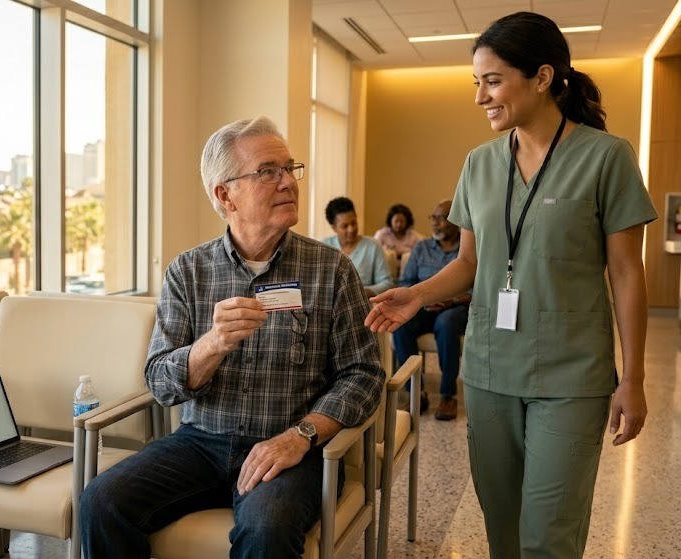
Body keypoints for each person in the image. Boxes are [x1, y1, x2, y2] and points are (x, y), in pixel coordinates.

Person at [365, 12, 657, 559]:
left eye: (492, 80)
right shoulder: (478, 165)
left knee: (549, 533)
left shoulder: (606, 157)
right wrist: (418, 294)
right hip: (490, 368)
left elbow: (625, 273)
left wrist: (634, 377)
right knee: (502, 526)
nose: (480, 97)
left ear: (542, 77)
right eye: (476, 82)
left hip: (572, 374)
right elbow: (471, 263)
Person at [79, 116, 385, 558]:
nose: (288, 182)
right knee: (101, 503)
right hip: (200, 441)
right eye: (267, 171)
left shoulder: (331, 269)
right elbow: (160, 382)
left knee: (267, 530)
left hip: (287, 446)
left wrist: (301, 434)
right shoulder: (188, 271)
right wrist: (212, 344)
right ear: (225, 194)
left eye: (289, 168)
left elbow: (364, 374)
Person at [392, 199, 470, 420]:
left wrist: (450, 301)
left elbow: (477, 291)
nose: (434, 223)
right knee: (401, 322)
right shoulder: (421, 247)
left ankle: (447, 396)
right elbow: (406, 281)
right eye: (432, 218)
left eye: (441, 218)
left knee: (446, 323)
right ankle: (417, 393)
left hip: (456, 309)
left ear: (456, 221)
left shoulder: (468, 251)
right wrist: (421, 298)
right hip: (424, 306)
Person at [321, 196, 394, 296]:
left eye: (354, 223)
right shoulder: (325, 246)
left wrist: (361, 292)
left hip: (364, 301)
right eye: (345, 226)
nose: (351, 229)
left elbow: (387, 283)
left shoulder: (372, 246)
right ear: (334, 228)